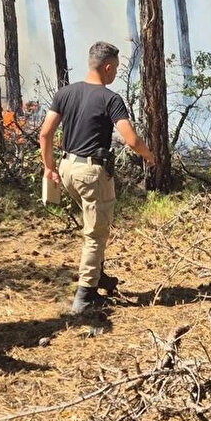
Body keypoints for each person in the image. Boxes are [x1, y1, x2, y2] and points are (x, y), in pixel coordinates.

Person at [39, 41, 154, 314]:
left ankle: (98, 275)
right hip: (91, 173)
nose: (115, 73)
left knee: (93, 223)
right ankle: (85, 296)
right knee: (96, 233)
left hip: (67, 168)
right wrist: (150, 156)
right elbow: (132, 139)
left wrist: (49, 167)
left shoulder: (65, 93)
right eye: (115, 68)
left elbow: (45, 134)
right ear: (108, 67)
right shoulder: (110, 99)